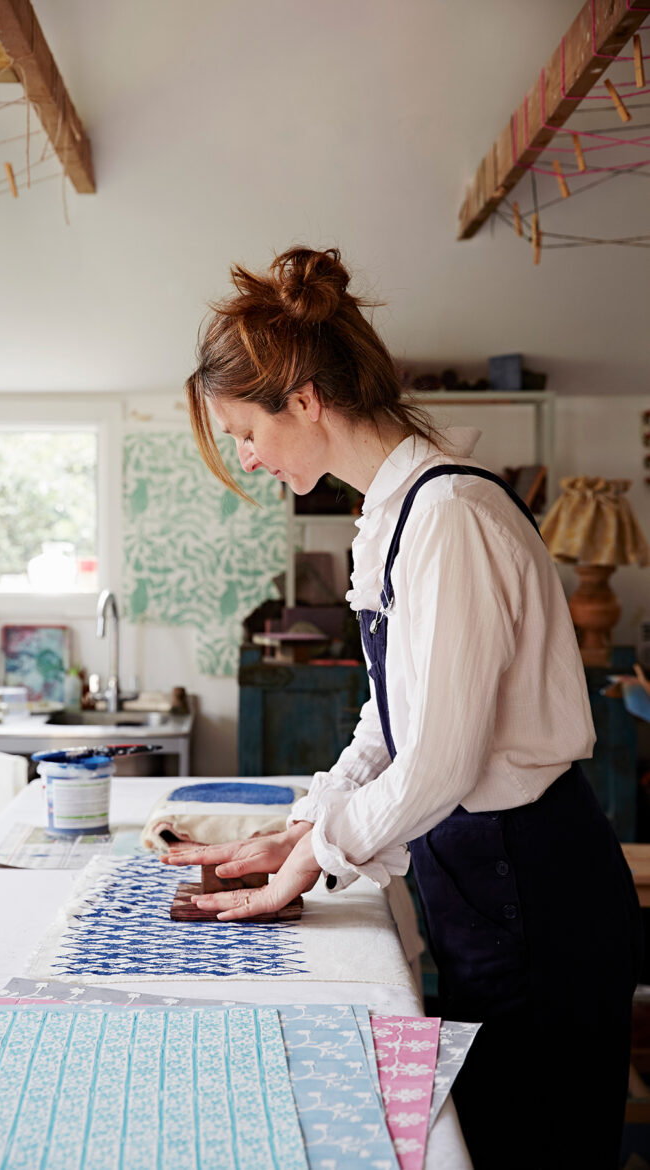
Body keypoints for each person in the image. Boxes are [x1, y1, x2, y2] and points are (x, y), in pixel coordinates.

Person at [167, 246, 642, 1169]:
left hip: (536, 888)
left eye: (244, 432)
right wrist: (306, 822)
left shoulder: (452, 517)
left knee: (533, 1147)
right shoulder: (391, 516)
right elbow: (389, 722)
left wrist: (309, 863)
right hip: (481, 879)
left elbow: (439, 764)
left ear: (304, 399)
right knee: (496, 1134)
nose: (248, 456)